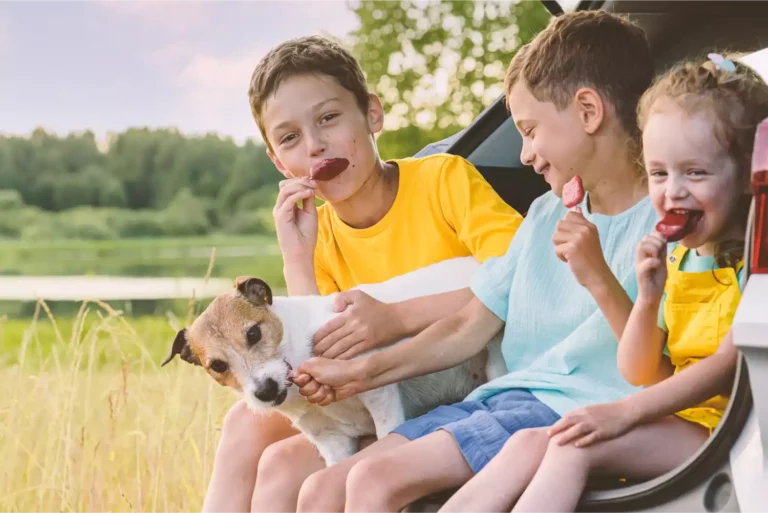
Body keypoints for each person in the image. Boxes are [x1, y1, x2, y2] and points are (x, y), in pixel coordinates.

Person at [291, 11, 658, 512]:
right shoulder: (545, 216)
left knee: (374, 481)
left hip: (568, 408)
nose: (524, 154)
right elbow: (467, 326)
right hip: (504, 399)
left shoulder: (662, 224)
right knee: (323, 490)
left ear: (589, 112)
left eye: (530, 130)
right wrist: (362, 373)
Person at [201, 35, 524, 513]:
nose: (315, 145)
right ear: (278, 161)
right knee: (247, 427)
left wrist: (396, 318)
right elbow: (316, 371)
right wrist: (297, 258)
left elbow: (524, 273)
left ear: (372, 114)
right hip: (382, 394)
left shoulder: (444, 180)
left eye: (328, 118)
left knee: (283, 465)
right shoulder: (317, 235)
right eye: (290, 138)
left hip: (467, 379)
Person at [440, 53, 768, 513]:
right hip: (679, 421)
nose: (672, 191)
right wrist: (648, 297)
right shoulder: (680, 258)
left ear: (748, 175)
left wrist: (622, 412)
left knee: (573, 446)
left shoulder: (755, 264)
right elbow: (641, 371)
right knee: (530, 441)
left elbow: (728, 366)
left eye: (695, 172)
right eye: (659, 173)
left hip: (731, 428)